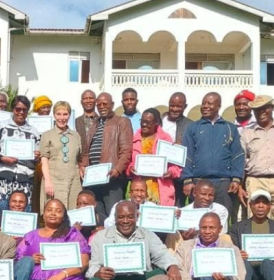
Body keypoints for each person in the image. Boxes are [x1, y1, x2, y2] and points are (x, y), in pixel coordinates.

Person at [238, 95, 274, 235]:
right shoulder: (247, 133)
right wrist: (240, 185)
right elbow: (240, 160)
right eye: (257, 109)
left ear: (271, 108)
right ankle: (256, 254)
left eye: (265, 108)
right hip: (255, 180)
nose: (261, 111)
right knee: (255, 221)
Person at [181, 92, 244, 225]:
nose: (205, 106)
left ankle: (222, 244)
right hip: (199, 181)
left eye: (209, 103)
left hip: (223, 183)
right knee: (196, 221)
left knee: (222, 219)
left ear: (218, 106)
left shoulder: (230, 128)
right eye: (203, 103)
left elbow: (237, 154)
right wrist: (187, 180)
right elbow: (187, 154)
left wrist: (236, 178)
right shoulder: (193, 128)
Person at [80, 92, 132, 225]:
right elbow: (86, 150)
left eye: (105, 104)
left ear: (112, 105)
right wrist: (83, 165)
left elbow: (126, 150)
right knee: (97, 214)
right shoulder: (95, 124)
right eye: (99, 104)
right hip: (94, 179)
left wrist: (117, 169)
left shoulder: (122, 122)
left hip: (112, 179)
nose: (102, 107)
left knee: (113, 214)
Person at [0, 95, 40, 214]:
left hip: (24, 178)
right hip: (2, 177)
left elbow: (37, 157)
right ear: (13, 109)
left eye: (24, 110)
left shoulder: (33, 131)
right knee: (1, 210)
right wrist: (2, 158)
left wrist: (37, 157)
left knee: (22, 212)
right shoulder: (0, 126)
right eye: (18, 109)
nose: (21, 112)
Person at [127, 108, 181, 206]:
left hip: (161, 187)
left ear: (156, 122)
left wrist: (170, 172)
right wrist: (130, 168)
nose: (144, 124)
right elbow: (128, 161)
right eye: (142, 121)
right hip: (140, 186)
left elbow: (176, 166)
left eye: (148, 122)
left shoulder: (166, 139)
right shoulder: (134, 139)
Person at [165, 179, 229, 252]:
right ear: (195, 193)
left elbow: (220, 233)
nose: (207, 198)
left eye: (211, 195)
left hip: (212, 244)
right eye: (203, 194)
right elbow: (180, 235)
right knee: (172, 235)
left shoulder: (220, 210)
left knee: (226, 237)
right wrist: (183, 236)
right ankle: (172, 262)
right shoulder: (183, 212)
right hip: (187, 244)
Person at [40, 101, 82, 210]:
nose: (62, 118)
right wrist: (48, 182)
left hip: (74, 181)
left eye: (65, 114)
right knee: (55, 212)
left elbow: (79, 159)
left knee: (73, 212)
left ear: (69, 115)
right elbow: (44, 161)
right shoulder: (47, 135)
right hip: (54, 181)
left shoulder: (75, 135)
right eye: (59, 114)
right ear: (54, 115)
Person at [161, 92, 193, 207]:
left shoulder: (190, 125)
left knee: (178, 206)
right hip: (160, 173)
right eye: (172, 105)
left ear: (185, 107)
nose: (174, 109)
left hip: (179, 175)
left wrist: (183, 145)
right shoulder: (159, 121)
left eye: (179, 106)